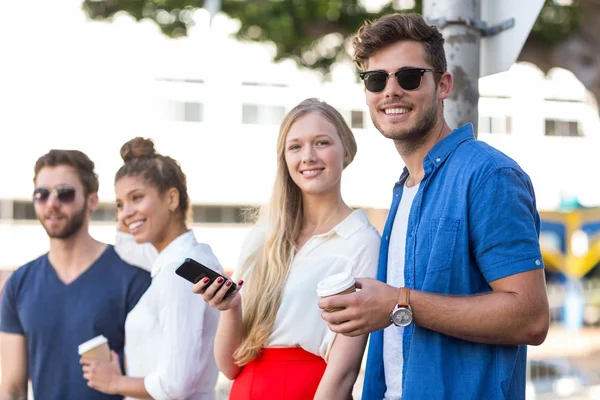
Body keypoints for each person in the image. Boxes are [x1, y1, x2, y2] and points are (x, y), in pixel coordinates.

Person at [318, 13, 550, 400]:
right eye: (377, 80)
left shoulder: (488, 176)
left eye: (409, 77)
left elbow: (531, 318)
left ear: (443, 85)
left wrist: (397, 302)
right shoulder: (404, 187)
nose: (391, 91)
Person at [194, 98, 380, 400]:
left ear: (345, 151)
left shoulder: (362, 241)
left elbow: (344, 372)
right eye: (295, 147)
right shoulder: (262, 236)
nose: (308, 156)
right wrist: (231, 308)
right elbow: (229, 367)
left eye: (321, 143)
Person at [0, 149, 151, 400]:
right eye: (42, 194)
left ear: (92, 200)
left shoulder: (133, 278)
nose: (52, 203)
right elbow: (12, 389)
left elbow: (156, 380)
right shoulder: (18, 284)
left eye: (65, 193)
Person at [80, 137, 222, 400]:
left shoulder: (179, 271)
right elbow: (126, 246)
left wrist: (114, 382)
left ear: (171, 198)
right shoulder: (184, 258)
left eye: (137, 197)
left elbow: (175, 385)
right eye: (120, 204)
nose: (124, 213)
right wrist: (132, 213)